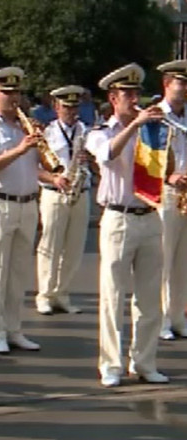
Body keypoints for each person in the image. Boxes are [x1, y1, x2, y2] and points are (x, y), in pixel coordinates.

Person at [85, 63, 169, 387]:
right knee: (112, 296)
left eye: (136, 93)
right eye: (127, 94)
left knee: (149, 299)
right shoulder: (99, 132)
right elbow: (107, 154)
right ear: (113, 97)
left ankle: (145, 362)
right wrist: (135, 124)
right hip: (118, 217)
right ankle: (110, 364)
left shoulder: (151, 130)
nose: (134, 99)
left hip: (150, 216)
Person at [0, 66, 65, 355]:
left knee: (19, 273)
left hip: (27, 203)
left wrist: (51, 167)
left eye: (17, 92)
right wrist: (19, 149)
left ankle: (14, 329)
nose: (14, 98)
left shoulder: (28, 128)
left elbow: (40, 168)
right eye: (7, 92)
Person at [35, 85, 91, 315]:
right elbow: (34, 169)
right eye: (66, 107)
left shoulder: (86, 130)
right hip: (54, 193)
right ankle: (44, 294)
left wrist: (89, 159)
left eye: (75, 107)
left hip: (81, 192)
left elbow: (100, 163)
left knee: (74, 248)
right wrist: (54, 178)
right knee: (51, 246)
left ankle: (62, 293)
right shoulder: (46, 133)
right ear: (56, 107)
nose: (71, 111)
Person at [154, 60, 187, 341]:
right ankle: (162, 319)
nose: (186, 88)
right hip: (166, 194)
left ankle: (178, 317)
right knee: (164, 260)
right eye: (182, 83)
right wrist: (169, 177)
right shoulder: (156, 117)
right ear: (167, 85)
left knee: (182, 262)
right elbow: (148, 160)